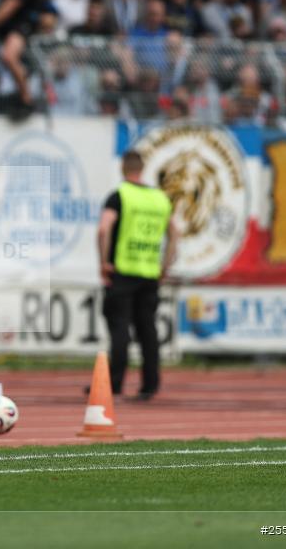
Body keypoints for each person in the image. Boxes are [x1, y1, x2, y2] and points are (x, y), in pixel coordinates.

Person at [97, 151, 178, 401]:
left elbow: (103, 229)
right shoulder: (160, 199)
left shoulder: (119, 196)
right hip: (150, 273)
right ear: (143, 168)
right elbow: (175, 234)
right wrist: (165, 266)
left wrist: (104, 262)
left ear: (123, 168)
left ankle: (115, 384)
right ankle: (150, 385)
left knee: (120, 328)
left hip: (122, 271)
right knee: (148, 329)